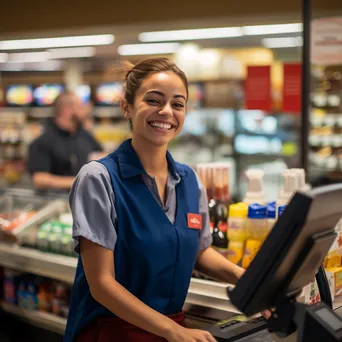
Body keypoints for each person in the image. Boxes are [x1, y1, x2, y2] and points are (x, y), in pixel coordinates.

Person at [65, 57, 246, 342]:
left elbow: (199, 251)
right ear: (127, 106)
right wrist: (174, 331)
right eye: (154, 100)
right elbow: (101, 283)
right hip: (112, 332)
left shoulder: (190, 181)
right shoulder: (99, 178)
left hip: (168, 331)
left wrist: (248, 280)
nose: (166, 112)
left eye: (177, 104)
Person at [28, 91, 103, 191]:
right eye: (81, 107)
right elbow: (40, 179)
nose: (86, 111)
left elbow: (100, 154)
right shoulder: (43, 141)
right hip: (56, 201)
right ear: (67, 110)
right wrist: (81, 181)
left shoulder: (83, 134)